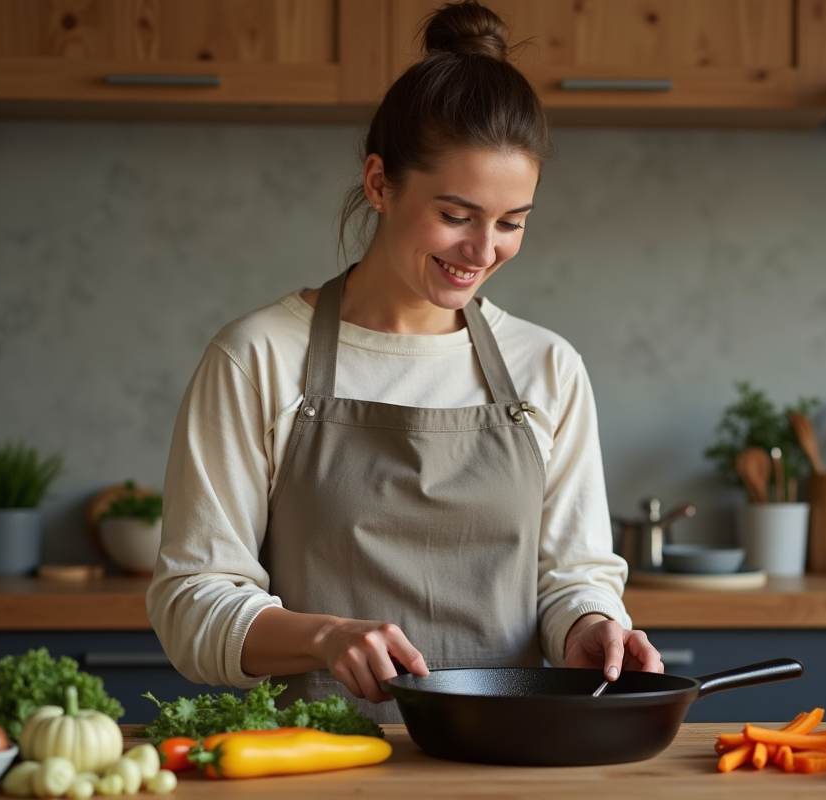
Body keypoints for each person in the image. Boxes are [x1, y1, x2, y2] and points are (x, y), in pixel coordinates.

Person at [147, 0, 663, 723]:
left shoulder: (548, 367)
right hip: (318, 759)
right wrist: (324, 637)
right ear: (379, 183)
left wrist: (589, 626)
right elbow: (192, 600)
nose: (483, 251)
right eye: (455, 215)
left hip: (505, 759)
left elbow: (571, 576)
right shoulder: (257, 356)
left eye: (511, 222)